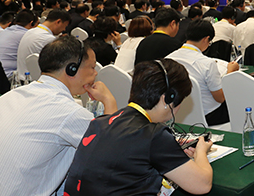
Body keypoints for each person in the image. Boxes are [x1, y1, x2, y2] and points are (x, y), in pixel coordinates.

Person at [0, 35, 118, 196]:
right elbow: (113, 152)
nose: (95, 73)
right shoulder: (69, 112)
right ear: (71, 69)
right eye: (92, 67)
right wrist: (109, 100)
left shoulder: (10, 96)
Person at [63, 59, 214, 195]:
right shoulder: (154, 135)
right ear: (168, 99)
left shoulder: (100, 122)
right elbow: (202, 185)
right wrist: (200, 151)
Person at [166, 19, 239, 126]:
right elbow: (220, 98)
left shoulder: (168, 59)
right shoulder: (207, 64)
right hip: (209, 116)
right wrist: (230, 72)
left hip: (176, 114)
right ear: (206, 39)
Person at [16, 8, 71, 80]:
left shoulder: (30, 31)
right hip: (35, 80)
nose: (64, 29)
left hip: (21, 77)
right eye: (65, 26)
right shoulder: (48, 39)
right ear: (58, 22)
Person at [0, 9, 39, 76]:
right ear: (31, 23)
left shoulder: (6, 30)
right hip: (6, 76)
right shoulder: (26, 35)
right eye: (38, 24)